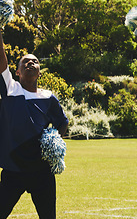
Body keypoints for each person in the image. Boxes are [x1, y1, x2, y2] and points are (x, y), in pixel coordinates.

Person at [0, 31, 68, 218]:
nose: (31, 63)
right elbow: (1, 61)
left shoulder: (48, 97)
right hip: (13, 169)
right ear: (18, 72)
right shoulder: (10, 89)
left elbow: (63, 122)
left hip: (42, 171)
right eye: (25, 62)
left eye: (35, 61)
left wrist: (55, 139)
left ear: (39, 71)